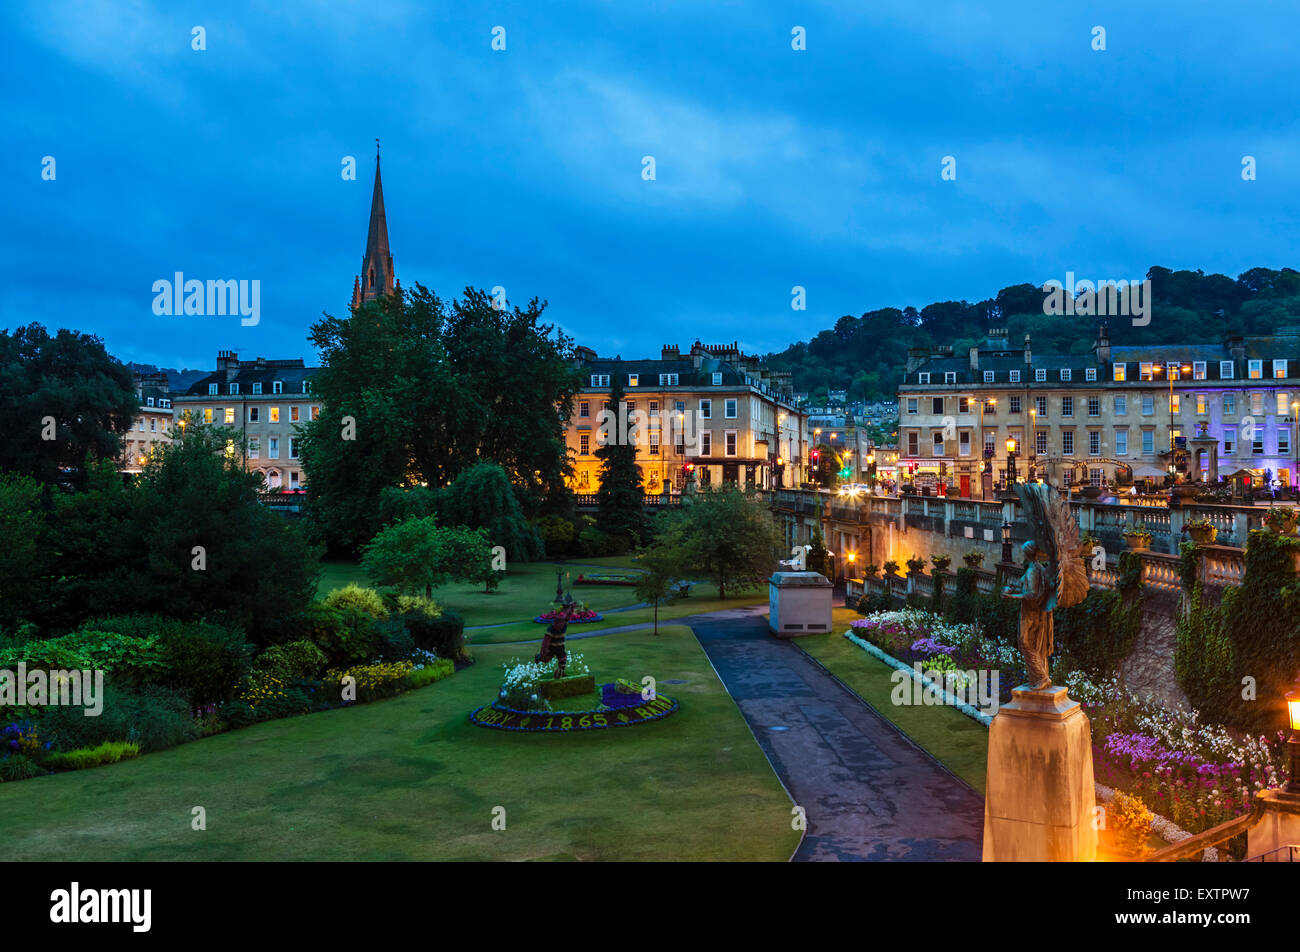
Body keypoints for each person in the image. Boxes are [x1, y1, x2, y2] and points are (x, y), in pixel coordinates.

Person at [1000, 540, 1053, 690]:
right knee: (1034, 644)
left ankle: (1041, 677)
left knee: (1024, 642)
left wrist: (1012, 597)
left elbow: (1032, 594)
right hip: (1037, 612)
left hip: (1030, 612)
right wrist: (1013, 589)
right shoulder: (1038, 567)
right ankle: (1037, 677)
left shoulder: (1032, 570)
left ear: (1027, 553)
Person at [536, 596, 576, 678]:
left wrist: (571, 608)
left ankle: (561, 673)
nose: (560, 625)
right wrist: (543, 653)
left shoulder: (564, 625)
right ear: (555, 622)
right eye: (558, 622)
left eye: (561, 622)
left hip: (560, 646)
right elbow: (545, 642)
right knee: (545, 659)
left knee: (563, 659)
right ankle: (538, 657)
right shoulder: (551, 629)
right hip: (551, 647)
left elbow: (568, 616)